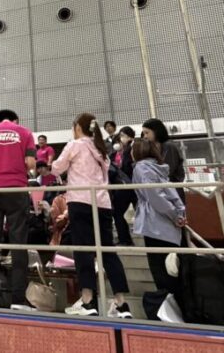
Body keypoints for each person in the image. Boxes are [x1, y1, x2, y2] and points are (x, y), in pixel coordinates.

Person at [51, 113, 132, 318]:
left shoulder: (75, 145)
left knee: (83, 251)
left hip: (80, 201)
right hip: (103, 203)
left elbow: (56, 168)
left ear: (78, 127)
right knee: (108, 252)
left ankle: (88, 301)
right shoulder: (101, 149)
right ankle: (122, 304)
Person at [0, 109, 36, 311]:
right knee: (19, 244)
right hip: (17, 189)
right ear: (15, 120)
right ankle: (18, 301)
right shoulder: (25, 133)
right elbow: (30, 163)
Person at [132, 138, 185, 295]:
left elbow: (155, 196)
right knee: (172, 269)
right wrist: (178, 214)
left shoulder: (141, 168)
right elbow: (169, 194)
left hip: (154, 223)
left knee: (160, 270)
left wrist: (175, 216)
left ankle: (168, 304)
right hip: (168, 224)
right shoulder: (159, 168)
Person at [141, 118, 186, 203]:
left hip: (172, 192)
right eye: (144, 133)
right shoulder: (152, 147)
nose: (145, 136)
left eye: (147, 133)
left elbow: (168, 170)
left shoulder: (169, 147)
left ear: (156, 131)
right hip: (161, 192)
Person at [110, 127, 137, 246]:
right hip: (121, 188)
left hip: (134, 186)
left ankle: (150, 239)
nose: (119, 142)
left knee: (140, 212)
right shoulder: (113, 155)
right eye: (117, 140)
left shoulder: (132, 151)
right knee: (117, 213)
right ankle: (124, 239)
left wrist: (129, 144)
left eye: (121, 137)